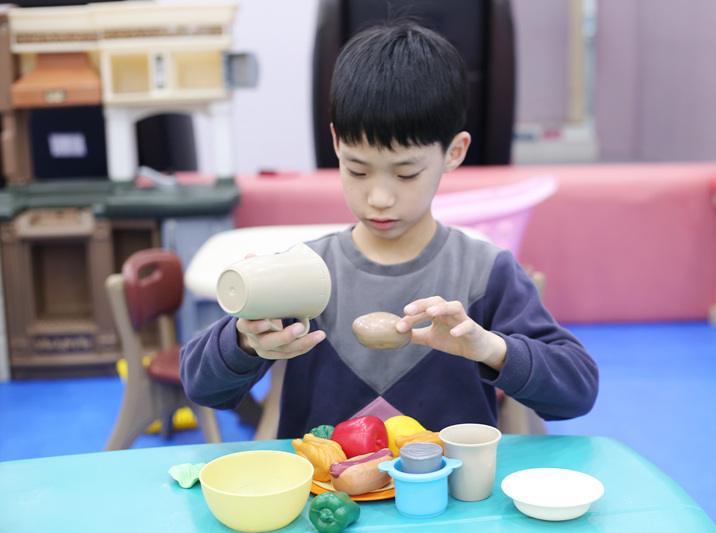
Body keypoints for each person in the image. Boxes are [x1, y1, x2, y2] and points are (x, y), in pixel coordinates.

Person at [180, 21, 598, 438]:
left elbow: (577, 392)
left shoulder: (485, 273)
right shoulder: (304, 270)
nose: (379, 198)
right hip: (326, 481)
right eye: (357, 170)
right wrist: (245, 342)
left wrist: (489, 348)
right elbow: (201, 386)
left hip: (451, 482)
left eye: (406, 173)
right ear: (337, 144)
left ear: (454, 152)